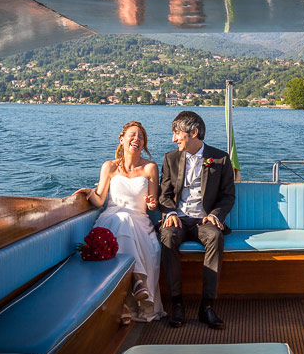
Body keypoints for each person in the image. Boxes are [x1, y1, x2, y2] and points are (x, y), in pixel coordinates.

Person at [74, 121, 164, 324]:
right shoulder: (110, 166)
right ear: (121, 139)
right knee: (122, 219)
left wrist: (152, 203)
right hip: (111, 217)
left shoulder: (150, 168)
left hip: (139, 220)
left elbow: (153, 205)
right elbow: (99, 200)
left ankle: (123, 303)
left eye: (141, 137)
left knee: (127, 222)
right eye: (133, 135)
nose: (137, 139)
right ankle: (137, 281)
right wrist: (90, 193)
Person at [158, 111, 235, 329]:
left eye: (177, 133)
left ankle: (207, 307)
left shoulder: (219, 159)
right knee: (167, 237)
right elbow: (164, 194)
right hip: (178, 219)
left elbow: (228, 195)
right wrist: (170, 214)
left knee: (215, 238)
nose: (174, 139)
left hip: (204, 221)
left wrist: (215, 215)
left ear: (193, 132)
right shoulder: (170, 159)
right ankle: (177, 304)